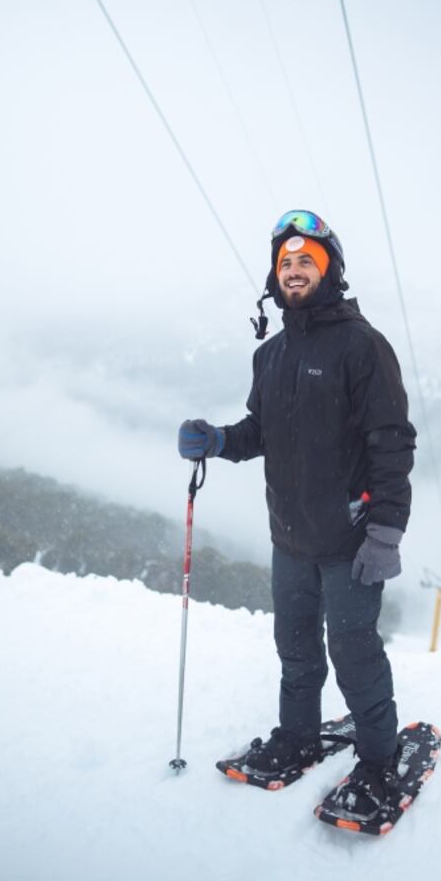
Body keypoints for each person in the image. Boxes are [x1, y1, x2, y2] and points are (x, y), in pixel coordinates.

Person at [178, 210, 416, 818]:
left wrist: (385, 533)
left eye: (305, 258)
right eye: (285, 261)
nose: (293, 269)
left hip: (351, 540)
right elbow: (263, 431)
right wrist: (217, 441)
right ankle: (298, 735)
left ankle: (380, 762)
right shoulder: (273, 354)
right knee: (295, 649)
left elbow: (391, 441)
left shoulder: (362, 346)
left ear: (330, 267)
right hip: (289, 537)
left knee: (354, 652)